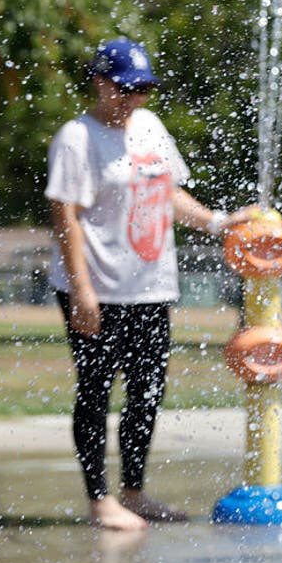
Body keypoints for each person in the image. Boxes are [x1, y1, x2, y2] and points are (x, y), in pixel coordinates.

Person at [46, 37, 253, 531]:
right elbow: (65, 217)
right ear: (100, 83)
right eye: (126, 89)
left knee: (147, 391)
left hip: (151, 287)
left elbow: (169, 194)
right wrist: (82, 289)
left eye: (144, 90)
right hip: (99, 287)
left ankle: (133, 493)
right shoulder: (77, 138)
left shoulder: (151, 128)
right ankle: (100, 501)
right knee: (96, 390)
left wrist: (219, 221)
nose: (135, 98)